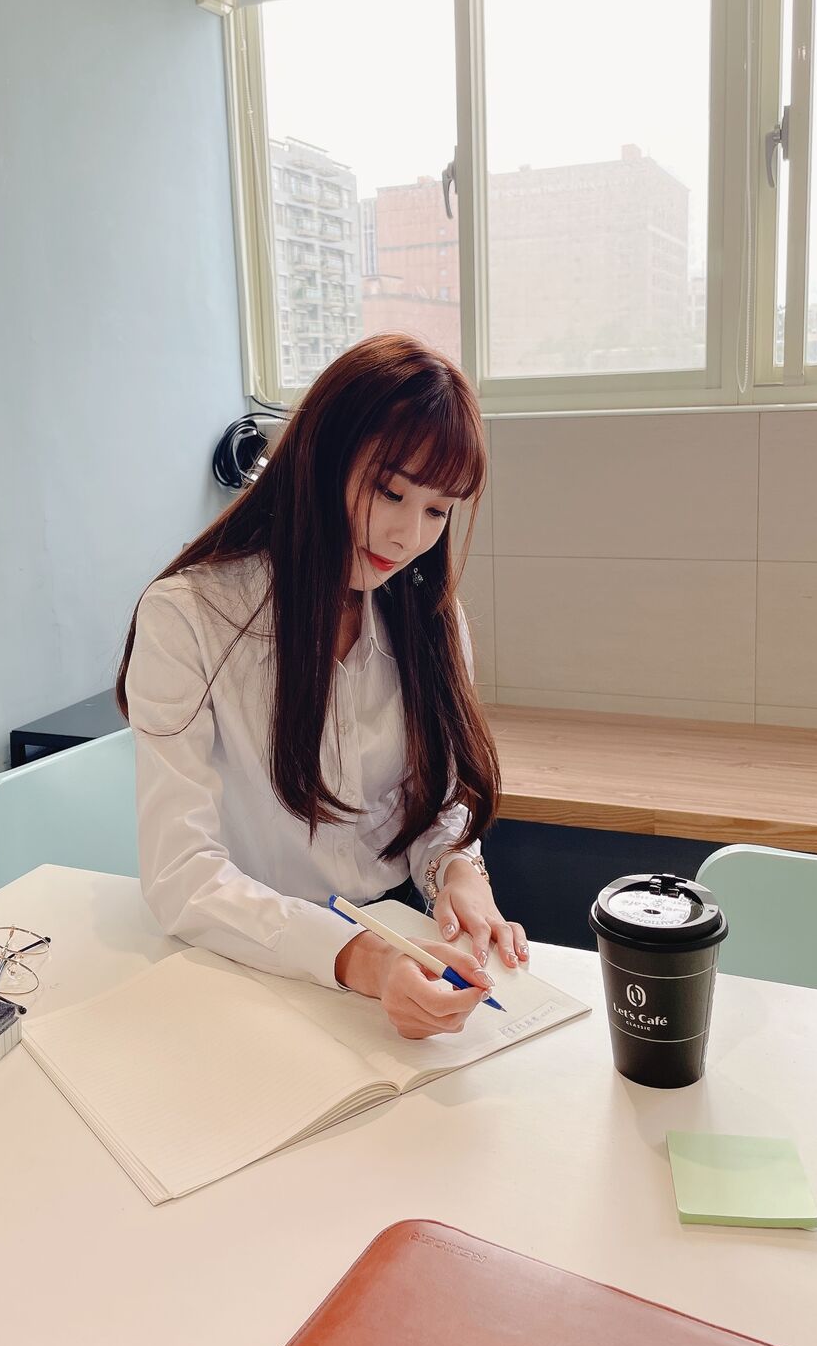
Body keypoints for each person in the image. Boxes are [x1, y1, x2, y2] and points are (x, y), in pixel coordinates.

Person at [118, 334, 528, 1040]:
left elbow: (433, 803)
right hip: (246, 958)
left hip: (398, 945)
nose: (406, 536)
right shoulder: (189, 619)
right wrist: (358, 958)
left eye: (438, 510)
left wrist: (457, 871)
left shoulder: (431, 620)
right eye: (390, 492)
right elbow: (181, 876)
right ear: (318, 458)